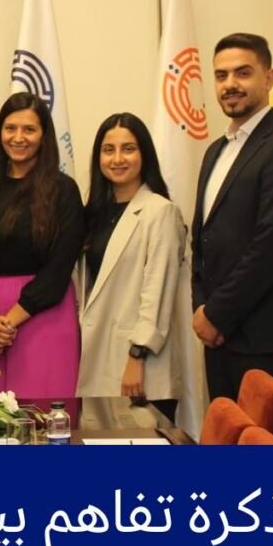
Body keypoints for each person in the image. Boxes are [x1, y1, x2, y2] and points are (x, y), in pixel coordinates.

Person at [192, 33, 273, 444]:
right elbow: (203, 243)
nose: (230, 84)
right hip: (222, 341)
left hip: (272, 341)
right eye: (221, 75)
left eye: (242, 73)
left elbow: (272, 247)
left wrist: (216, 314)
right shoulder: (215, 151)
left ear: (269, 78)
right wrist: (202, 308)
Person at [0, 92, 84, 397]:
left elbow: (59, 268)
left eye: (29, 129)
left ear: (44, 136)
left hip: (42, 314)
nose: (18, 137)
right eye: (10, 128)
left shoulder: (63, 190)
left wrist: (6, 324)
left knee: (39, 416)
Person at [76, 113, 186, 422]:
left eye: (128, 149)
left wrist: (138, 355)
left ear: (144, 154)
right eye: (108, 150)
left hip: (141, 366)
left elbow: (158, 291)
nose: (117, 159)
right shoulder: (92, 215)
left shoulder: (160, 211)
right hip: (99, 359)